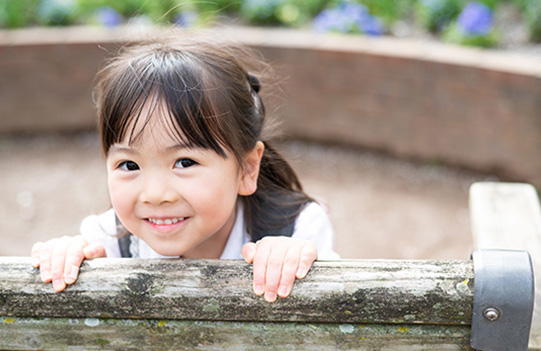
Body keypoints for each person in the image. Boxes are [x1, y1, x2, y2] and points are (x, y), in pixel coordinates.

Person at [31, 31, 339, 303]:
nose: (155, 194)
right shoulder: (108, 239)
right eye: (129, 164)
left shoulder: (297, 230)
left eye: (185, 162)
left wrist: (295, 261)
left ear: (247, 169)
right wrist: (64, 257)